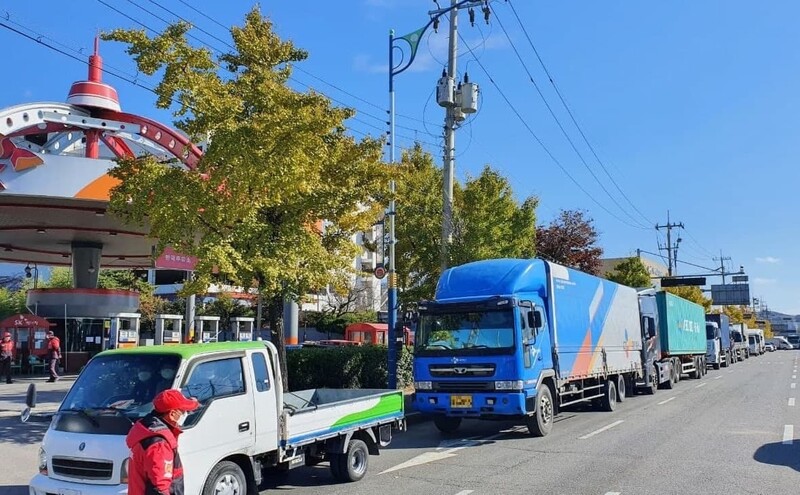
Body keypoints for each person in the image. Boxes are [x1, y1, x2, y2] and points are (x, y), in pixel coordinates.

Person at [126, 389, 199, 495]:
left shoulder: (146, 430)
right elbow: (161, 488)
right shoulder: (159, 445)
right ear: (173, 414)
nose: (186, 414)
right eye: (184, 411)